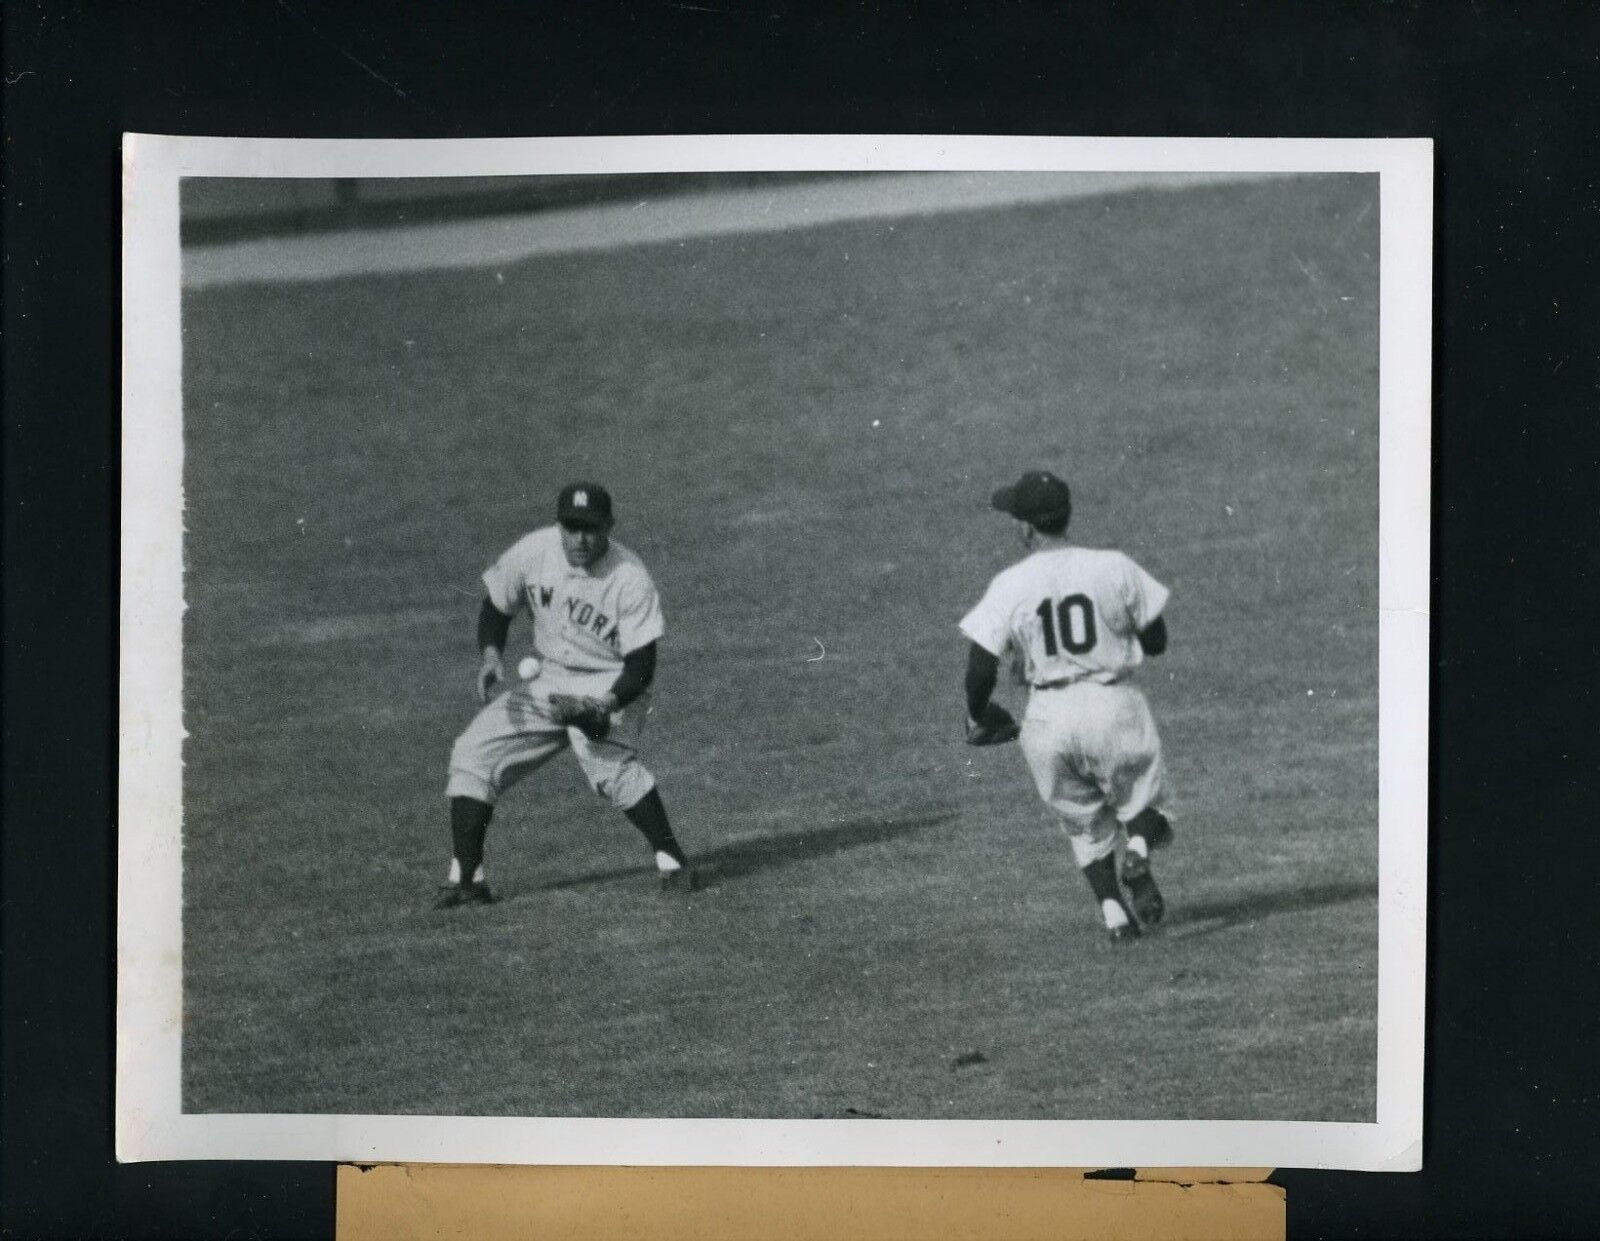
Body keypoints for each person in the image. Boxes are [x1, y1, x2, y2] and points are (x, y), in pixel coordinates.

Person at [435, 481, 695, 907]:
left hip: (612, 680)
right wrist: (490, 657)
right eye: (571, 527)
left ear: (608, 526)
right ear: (559, 525)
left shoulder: (629, 577)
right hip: (552, 679)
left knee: (607, 765)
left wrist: (604, 705)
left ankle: (673, 861)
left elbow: (641, 667)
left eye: (590, 528)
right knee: (473, 751)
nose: (580, 538)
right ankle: (466, 878)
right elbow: (496, 606)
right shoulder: (534, 551)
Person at [958, 469, 1175, 942]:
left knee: (1083, 824)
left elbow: (980, 669)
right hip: (1111, 703)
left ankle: (1115, 916)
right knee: (1144, 797)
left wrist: (979, 715)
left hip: (1046, 718)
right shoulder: (1113, 565)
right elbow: (1156, 640)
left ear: (1027, 528)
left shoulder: (1009, 583)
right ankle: (1137, 848)